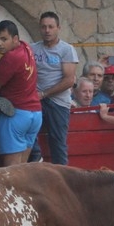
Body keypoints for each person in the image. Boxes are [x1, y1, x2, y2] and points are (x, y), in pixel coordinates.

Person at [0, 20, 42, 167]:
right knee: (22, 169)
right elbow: (7, 66)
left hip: (15, 115)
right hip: (35, 115)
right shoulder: (25, 47)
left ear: (15, 39)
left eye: (4, 39)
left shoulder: (10, 58)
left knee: (11, 171)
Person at [29, 11, 79, 165]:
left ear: (58, 28)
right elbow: (10, 62)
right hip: (36, 99)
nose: (47, 30)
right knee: (26, 132)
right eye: (43, 27)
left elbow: (69, 80)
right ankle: (36, 160)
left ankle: (62, 174)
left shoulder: (66, 49)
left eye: (51, 27)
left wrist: (44, 94)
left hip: (58, 102)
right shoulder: (32, 48)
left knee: (58, 143)